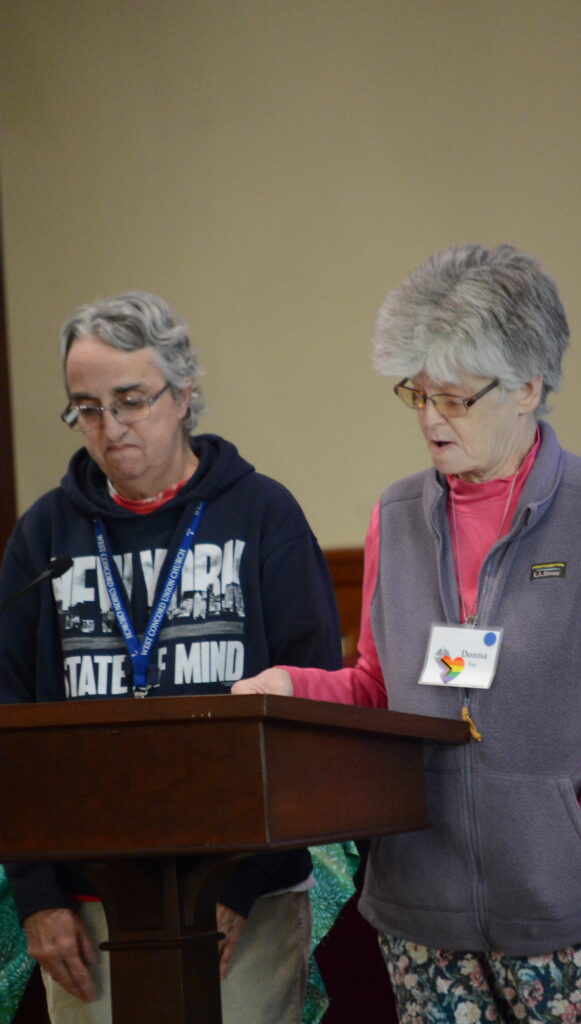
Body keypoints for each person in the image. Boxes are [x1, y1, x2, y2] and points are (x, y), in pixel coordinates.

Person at [233, 244, 581, 1023]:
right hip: (425, 912)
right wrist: (292, 686)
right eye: (416, 394)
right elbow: (379, 686)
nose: (430, 419)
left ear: (527, 388)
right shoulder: (396, 515)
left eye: (456, 399)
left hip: (579, 912)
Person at [0, 291, 341, 1024]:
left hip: (240, 898)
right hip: (86, 906)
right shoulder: (42, 536)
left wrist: (239, 885)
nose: (109, 427)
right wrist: (38, 895)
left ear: (184, 393)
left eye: (130, 400)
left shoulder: (263, 517)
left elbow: (309, 712)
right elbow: (10, 721)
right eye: (86, 407)